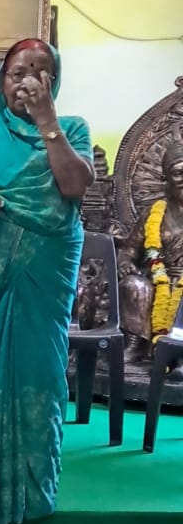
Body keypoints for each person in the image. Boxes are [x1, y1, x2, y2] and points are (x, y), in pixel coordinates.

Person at [0, 39, 94, 524]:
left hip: (44, 271)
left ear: (54, 82)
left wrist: (47, 121)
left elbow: (75, 186)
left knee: (40, 368)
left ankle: (32, 491)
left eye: (39, 72)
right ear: (1, 81)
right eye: (17, 72)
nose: (26, 81)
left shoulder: (73, 129)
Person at [119, 138, 183, 363]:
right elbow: (129, 249)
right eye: (178, 173)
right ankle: (137, 344)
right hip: (158, 279)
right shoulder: (155, 213)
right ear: (166, 178)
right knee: (133, 285)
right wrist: (125, 262)